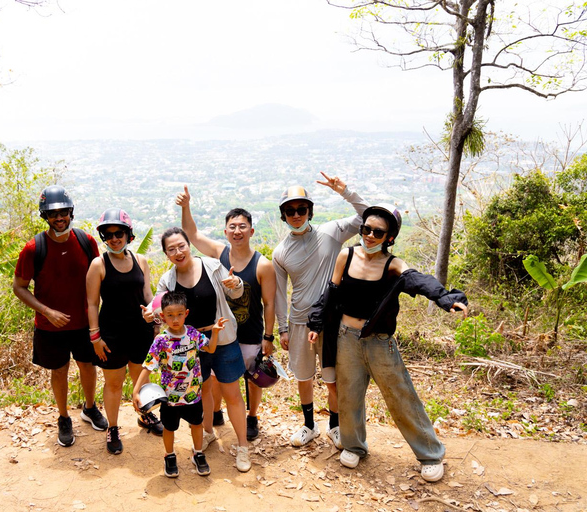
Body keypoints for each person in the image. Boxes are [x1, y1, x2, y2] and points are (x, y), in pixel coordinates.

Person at [307, 203, 468, 482]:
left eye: (378, 232)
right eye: (366, 229)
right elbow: (330, 293)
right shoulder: (346, 256)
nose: (369, 236)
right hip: (346, 338)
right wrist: (316, 323)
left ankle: (430, 454)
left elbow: (418, 280)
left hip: (379, 342)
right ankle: (354, 445)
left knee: (401, 397)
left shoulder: (393, 265)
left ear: (389, 237)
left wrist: (445, 298)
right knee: (349, 395)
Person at [144, 227, 251, 472]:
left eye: (181, 245)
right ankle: (208, 432)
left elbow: (235, 289)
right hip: (189, 347)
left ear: (188, 244)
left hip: (220, 337)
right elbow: (159, 308)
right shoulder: (168, 281)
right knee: (203, 390)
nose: (178, 252)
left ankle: (243, 446)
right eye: (171, 249)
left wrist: (236, 283)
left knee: (232, 392)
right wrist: (151, 313)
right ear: (166, 254)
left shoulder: (212, 266)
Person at [272, 173, 368, 448]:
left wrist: (346, 191)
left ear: (310, 211)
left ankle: (335, 426)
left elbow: (368, 218)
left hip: (331, 322)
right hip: (299, 322)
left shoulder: (331, 231)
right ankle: (309, 425)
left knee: (333, 379)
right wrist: (282, 328)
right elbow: (280, 293)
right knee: (303, 377)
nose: (296, 215)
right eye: (290, 210)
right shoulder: (280, 252)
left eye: (302, 209)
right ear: (283, 215)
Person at [176, 185, 276, 440]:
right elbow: (192, 234)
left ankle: (252, 417)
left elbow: (269, 303)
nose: (237, 231)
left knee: (253, 379)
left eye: (242, 226)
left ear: (251, 231)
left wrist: (269, 336)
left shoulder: (262, 264)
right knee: (221, 378)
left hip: (250, 331)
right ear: (225, 231)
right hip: (221, 332)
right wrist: (186, 207)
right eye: (232, 227)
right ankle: (218, 412)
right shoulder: (220, 254)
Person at [13, 185, 107, 448]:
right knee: (59, 370)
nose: (59, 218)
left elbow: (99, 278)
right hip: (49, 325)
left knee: (88, 366)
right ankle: (64, 417)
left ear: (71, 212)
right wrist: (46, 311)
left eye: (63, 212)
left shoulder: (86, 242)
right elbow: (19, 286)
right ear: (45, 216)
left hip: (84, 322)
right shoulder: (34, 248)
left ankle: (90, 408)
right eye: (53, 214)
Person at [86, 208, 162, 455]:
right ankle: (113, 427)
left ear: (129, 235)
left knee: (141, 378)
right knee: (114, 384)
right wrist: (95, 337)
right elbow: (91, 304)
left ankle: (144, 415)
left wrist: (156, 320)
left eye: (119, 233)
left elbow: (148, 296)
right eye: (108, 235)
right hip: (112, 334)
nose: (114, 238)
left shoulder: (141, 261)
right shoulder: (99, 264)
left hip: (140, 331)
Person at [133, 292, 228, 478]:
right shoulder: (161, 340)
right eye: (170, 315)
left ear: (186, 313)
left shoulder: (192, 333)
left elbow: (210, 348)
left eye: (179, 314)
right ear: (162, 317)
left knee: (196, 424)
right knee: (169, 428)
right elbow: (148, 366)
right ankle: (169, 455)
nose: (175, 319)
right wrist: (136, 391)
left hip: (193, 395)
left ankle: (198, 453)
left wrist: (215, 332)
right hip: (170, 398)